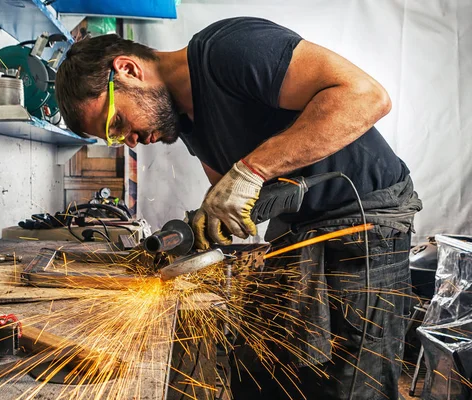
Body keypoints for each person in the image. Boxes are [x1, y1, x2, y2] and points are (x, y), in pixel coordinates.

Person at [55, 17, 422, 400]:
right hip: (298, 225)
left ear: (128, 70)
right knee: (268, 370)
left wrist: (252, 170)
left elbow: (366, 96)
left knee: (353, 380)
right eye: (113, 139)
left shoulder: (228, 51)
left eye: (116, 123)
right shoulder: (186, 122)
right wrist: (203, 226)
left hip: (365, 223)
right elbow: (234, 197)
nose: (128, 140)